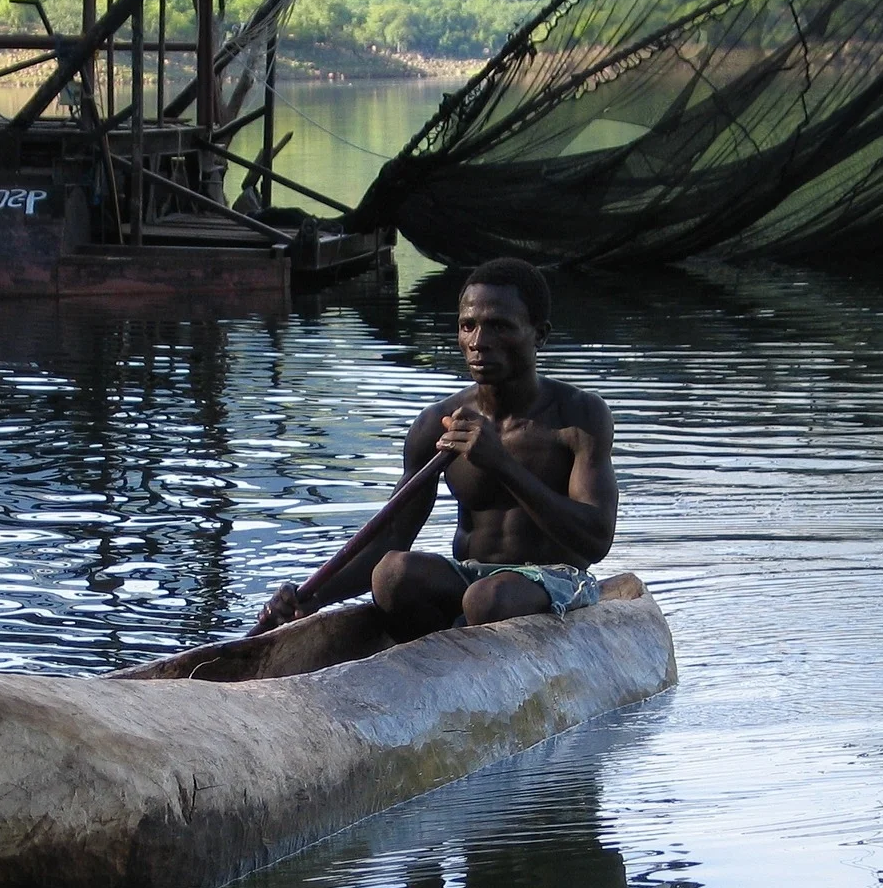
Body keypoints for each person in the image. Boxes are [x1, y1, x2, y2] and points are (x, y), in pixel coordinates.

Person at [257, 258, 618, 640]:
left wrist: (501, 464)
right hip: (471, 581)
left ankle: (462, 636)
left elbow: (595, 540)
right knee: (392, 574)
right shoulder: (437, 423)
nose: (479, 342)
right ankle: (443, 653)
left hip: (556, 583)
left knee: (486, 600)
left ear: (539, 335)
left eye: (499, 326)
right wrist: (311, 597)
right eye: (468, 326)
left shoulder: (578, 416)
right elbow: (391, 536)